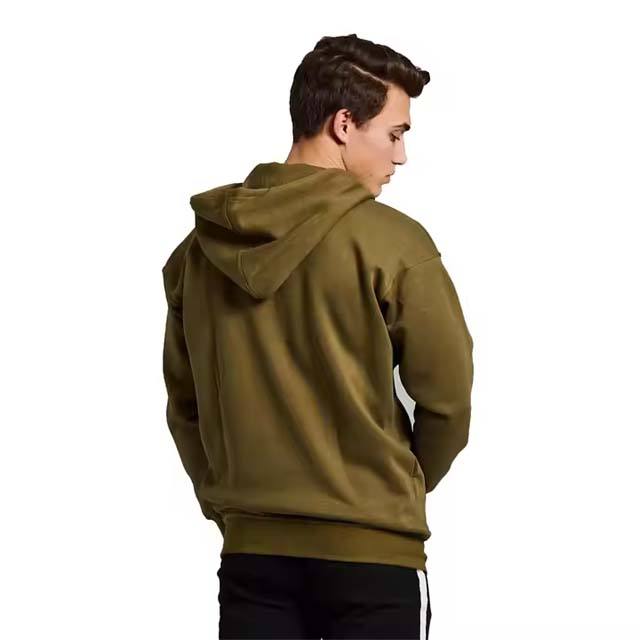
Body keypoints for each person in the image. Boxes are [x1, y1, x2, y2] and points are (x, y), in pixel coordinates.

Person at [161, 32, 474, 639]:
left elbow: (186, 405)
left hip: (253, 557)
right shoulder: (395, 244)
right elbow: (448, 401)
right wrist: (392, 490)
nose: (402, 156)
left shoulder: (198, 252)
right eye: (395, 133)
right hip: (374, 559)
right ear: (344, 124)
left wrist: (231, 502)